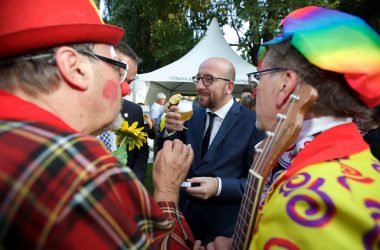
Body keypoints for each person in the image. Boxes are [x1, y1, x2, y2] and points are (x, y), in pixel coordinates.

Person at [0, 1, 195, 249]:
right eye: (118, 68)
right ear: (76, 68)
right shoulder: (79, 168)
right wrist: (167, 193)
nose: (123, 86)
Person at [204, 6, 380, 249]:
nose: (256, 90)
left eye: (260, 76)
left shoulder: (305, 203)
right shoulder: (352, 162)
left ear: (286, 84)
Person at [160, 57, 265, 244]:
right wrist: (169, 131)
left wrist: (219, 186)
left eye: (208, 79)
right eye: (198, 78)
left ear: (229, 87)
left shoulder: (253, 124)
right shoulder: (191, 115)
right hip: (185, 223)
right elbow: (170, 153)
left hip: (222, 232)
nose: (200, 86)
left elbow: (259, 183)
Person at [116, 42, 150, 182]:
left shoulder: (134, 111)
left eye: (129, 82)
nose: (125, 89)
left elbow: (141, 150)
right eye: (120, 77)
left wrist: (135, 182)